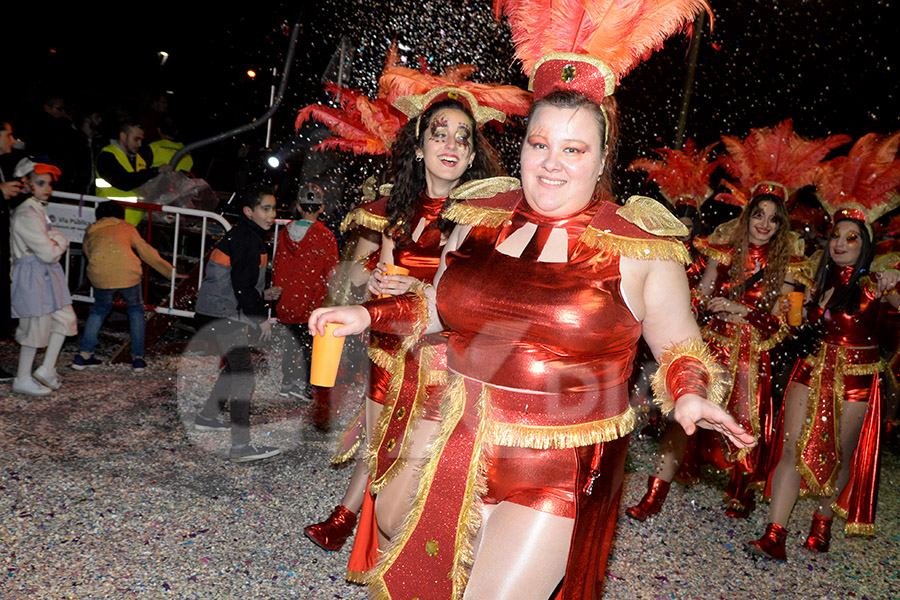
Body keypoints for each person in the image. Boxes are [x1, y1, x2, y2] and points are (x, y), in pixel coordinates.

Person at [308, 66, 754, 599]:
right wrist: (367, 316)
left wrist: (690, 394)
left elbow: (680, 347)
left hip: (557, 468)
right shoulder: (478, 216)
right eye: (540, 143)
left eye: (573, 150)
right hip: (454, 438)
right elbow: (439, 306)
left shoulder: (639, 246)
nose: (551, 163)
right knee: (417, 577)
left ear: (602, 158)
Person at [303, 88, 505, 582]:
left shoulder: (483, 217)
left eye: (463, 137)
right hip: (390, 346)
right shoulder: (400, 210)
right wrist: (376, 284)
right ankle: (372, 540)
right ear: (419, 147)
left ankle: (425, 562)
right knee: (381, 448)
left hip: (444, 358)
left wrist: (417, 288)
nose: (452, 144)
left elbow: (470, 295)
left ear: (473, 154)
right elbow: (387, 279)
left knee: (422, 464)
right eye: (440, 135)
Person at [749, 131, 900, 560]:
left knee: (839, 453)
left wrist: (893, 286)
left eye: (852, 238)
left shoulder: (875, 284)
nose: (840, 243)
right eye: (837, 235)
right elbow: (789, 324)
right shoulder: (813, 285)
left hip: (855, 380)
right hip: (809, 370)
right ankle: (775, 533)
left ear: (866, 245)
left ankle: (822, 520)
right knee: (791, 447)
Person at [627, 192, 801, 521]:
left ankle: (740, 495)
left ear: (781, 226)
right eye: (758, 215)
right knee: (682, 420)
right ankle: (654, 494)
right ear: (746, 216)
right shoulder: (721, 253)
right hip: (715, 347)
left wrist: (745, 310)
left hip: (753, 355)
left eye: (773, 219)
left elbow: (787, 320)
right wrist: (706, 302)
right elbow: (702, 296)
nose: (764, 224)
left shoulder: (788, 267)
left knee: (747, 423)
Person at [192, 183, 283, 462]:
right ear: (248, 211)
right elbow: (242, 287)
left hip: (217, 311)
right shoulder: (247, 239)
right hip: (221, 315)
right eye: (265, 209)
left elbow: (237, 283)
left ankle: (208, 416)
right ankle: (240, 446)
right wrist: (260, 319)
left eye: (273, 208)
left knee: (234, 368)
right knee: (244, 373)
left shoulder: (247, 236)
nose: (271, 215)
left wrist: (263, 294)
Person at [72, 200, 184, 373]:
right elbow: (146, 251)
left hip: (100, 273)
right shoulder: (126, 227)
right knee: (136, 311)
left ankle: (84, 355)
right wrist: (170, 272)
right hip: (127, 273)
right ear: (121, 215)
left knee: (99, 310)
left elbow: (89, 252)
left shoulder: (91, 229)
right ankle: (138, 358)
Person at [9, 159, 77, 396]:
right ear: (27, 184)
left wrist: (55, 241)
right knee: (34, 326)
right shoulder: (27, 213)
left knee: (65, 318)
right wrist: (60, 241)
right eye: (40, 183)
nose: (47, 188)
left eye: (49, 184)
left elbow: (50, 245)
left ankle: (47, 369)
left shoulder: (37, 210)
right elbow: (49, 251)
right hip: (32, 275)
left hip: (46, 274)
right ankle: (23, 377)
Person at [272, 183, 338, 400]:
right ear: (321, 208)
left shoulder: (284, 233)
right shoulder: (325, 235)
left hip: (287, 298)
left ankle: (287, 382)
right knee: (310, 345)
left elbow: (279, 263)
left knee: (290, 344)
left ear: (299, 207)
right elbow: (332, 269)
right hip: (312, 299)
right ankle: (309, 385)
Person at [95, 121, 171, 226]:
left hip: (133, 222)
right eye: (136, 139)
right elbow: (124, 182)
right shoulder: (107, 156)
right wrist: (154, 171)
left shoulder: (139, 159)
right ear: (123, 136)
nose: (139, 144)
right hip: (110, 220)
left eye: (141, 140)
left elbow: (143, 186)